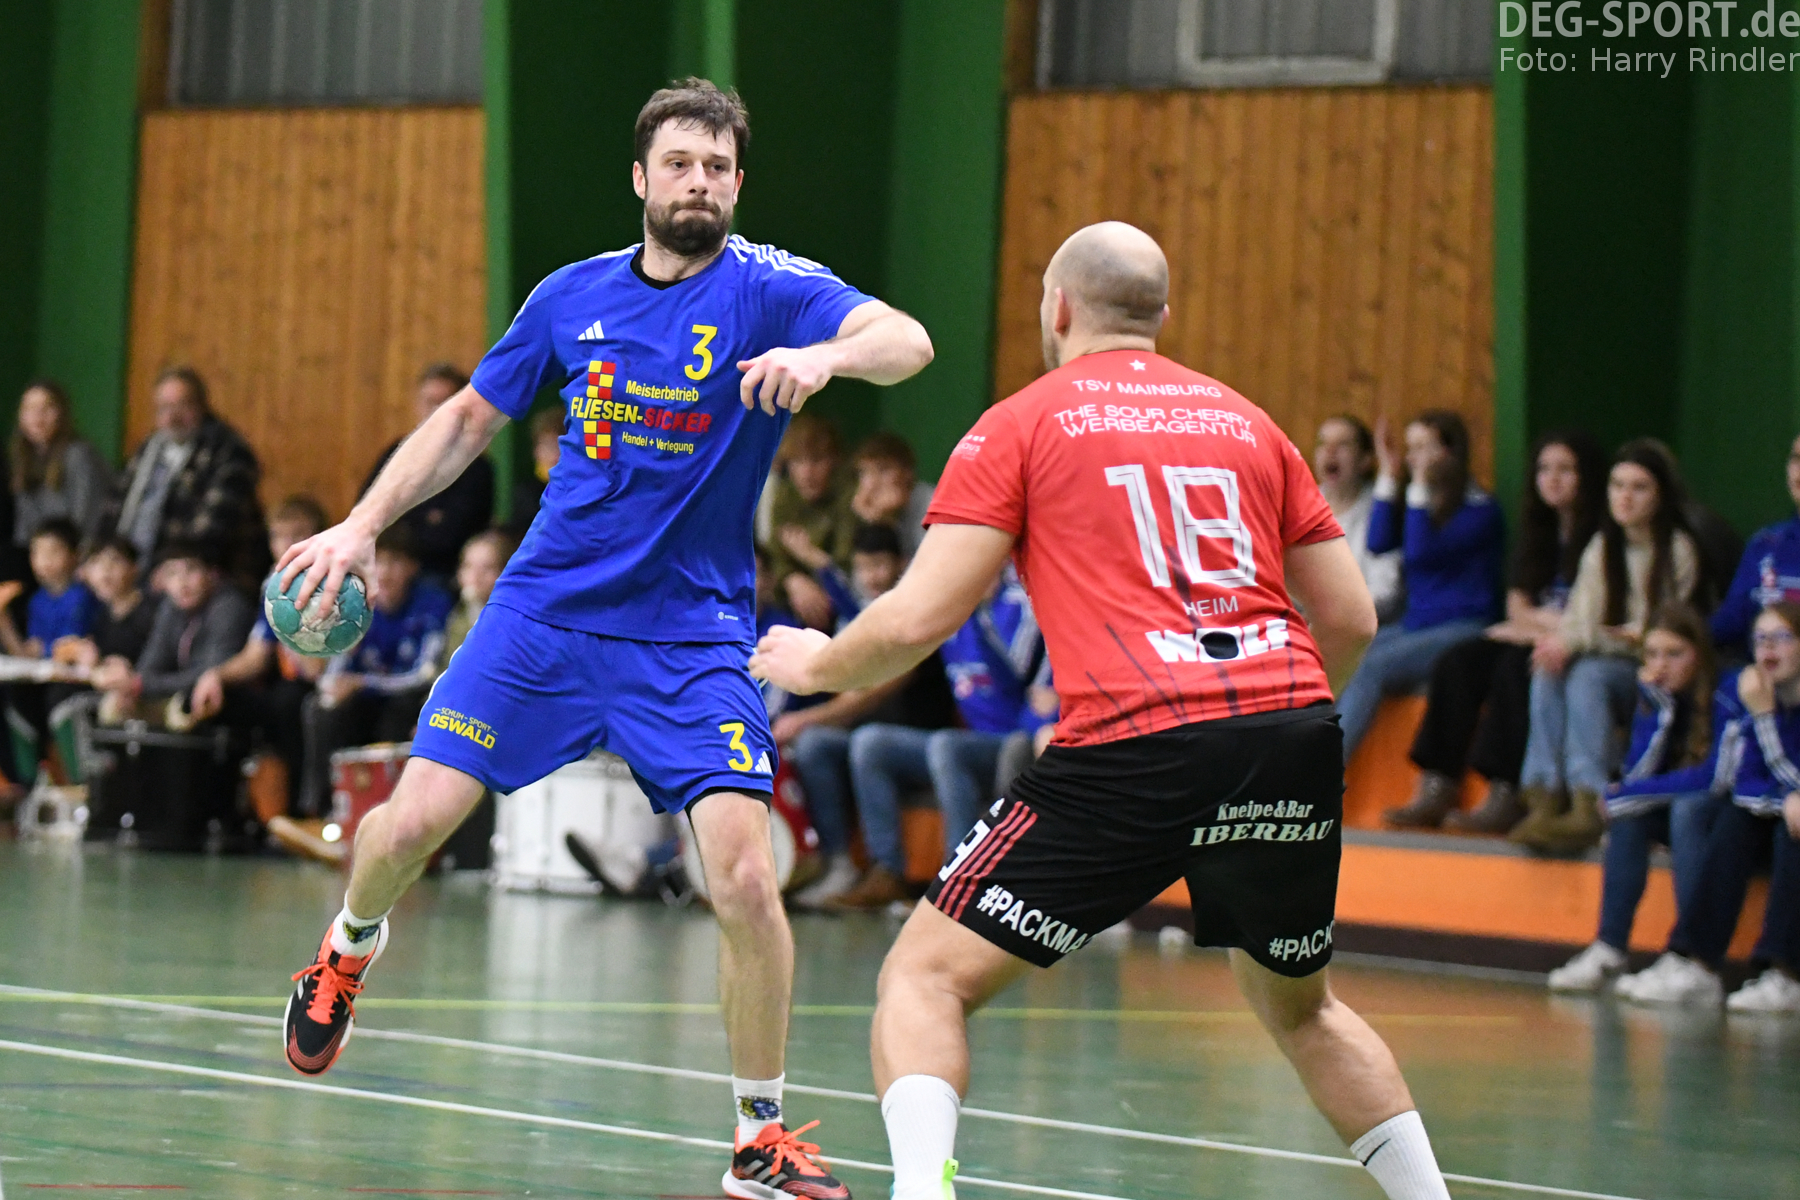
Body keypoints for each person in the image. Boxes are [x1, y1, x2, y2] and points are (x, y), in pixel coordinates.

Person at [273, 78, 932, 1197]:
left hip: (690, 636)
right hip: (542, 614)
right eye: (680, 165)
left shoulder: (773, 288)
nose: (700, 185)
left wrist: (827, 360)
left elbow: (904, 339)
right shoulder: (569, 300)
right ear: (641, 179)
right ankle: (345, 950)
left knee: (743, 876)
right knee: (406, 828)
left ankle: (758, 1142)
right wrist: (363, 523)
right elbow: (467, 423)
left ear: (737, 184)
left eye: (719, 168)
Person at [752, 221, 1455, 1200]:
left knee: (924, 980)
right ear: (1163, 317)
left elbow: (918, 617)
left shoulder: (1020, 424)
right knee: (1304, 1013)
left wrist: (817, 659)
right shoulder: (1252, 424)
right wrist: (1267, 726)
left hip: (1137, 739)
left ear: (1060, 309)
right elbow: (1350, 615)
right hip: (1288, 728)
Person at [1386, 431, 1607, 830]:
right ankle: (1437, 784)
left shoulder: (1602, 537)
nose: (1552, 479)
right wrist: (1533, 625)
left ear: (1587, 477)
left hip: (1578, 645)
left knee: (1512, 667)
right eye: (1544, 469)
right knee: (1459, 661)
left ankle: (1506, 791)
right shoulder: (1539, 529)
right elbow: (1516, 603)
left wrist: (1537, 627)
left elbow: (1589, 616)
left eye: (1565, 470)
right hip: (1533, 633)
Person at [1513, 441, 1701, 853]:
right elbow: (1582, 619)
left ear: (1660, 496)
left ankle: (1590, 801)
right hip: (1610, 654)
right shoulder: (1602, 547)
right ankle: (1543, 796)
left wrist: (1581, 639)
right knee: (1547, 668)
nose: (1625, 497)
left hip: (1647, 668)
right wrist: (1564, 642)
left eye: (1639, 488)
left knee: (1586, 675)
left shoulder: (1678, 550)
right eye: (1617, 486)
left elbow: (1656, 634)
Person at [1613, 603, 1800, 1012]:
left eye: (1782, 638)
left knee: (1792, 829)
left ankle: (1786, 974)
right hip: (1781, 811)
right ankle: (1696, 963)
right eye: (1761, 639)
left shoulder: (1759, 703)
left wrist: (1767, 722)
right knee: (1737, 818)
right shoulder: (1757, 695)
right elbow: (1747, 783)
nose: (1769, 649)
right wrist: (1782, 796)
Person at [833, 567, 1050, 910]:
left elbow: (1032, 676)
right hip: (972, 744)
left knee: (947, 745)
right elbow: (871, 625)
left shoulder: (1007, 610)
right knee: (872, 743)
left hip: (1010, 740)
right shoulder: (948, 623)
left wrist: (983, 610)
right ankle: (888, 872)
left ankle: (958, 881)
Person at [777, 526, 955, 909]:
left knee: (867, 741)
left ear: (902, 566)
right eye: (863, 568)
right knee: (816, 745)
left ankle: (888, 870)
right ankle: (836, 862)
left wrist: (803, 719)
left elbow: (865, 696)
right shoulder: (863, 618)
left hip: (924, 743)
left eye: (879, 565)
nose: (871, 577)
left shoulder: (917, 620)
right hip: (871, 739)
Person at [1547, 604, 1720, 990]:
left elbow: (1712, 778)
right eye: (1653, 654)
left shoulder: (1724, 694)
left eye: (1675, 654)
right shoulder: (1655, 698)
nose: (1662, 665)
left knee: (1685, 811)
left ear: (1699, 656)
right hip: (1675, 808)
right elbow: (1638, 770)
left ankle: (1687, 957)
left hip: (1723, 814)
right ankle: (1610, 948)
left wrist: (1628, 793)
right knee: (1631, 817)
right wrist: (1656, 710)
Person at [1335, 410, 1503, 760]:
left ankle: (1324, 769)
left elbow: (1420, 554)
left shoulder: (1480, 510)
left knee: (1372, 665)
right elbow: (1378, 542)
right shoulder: (1417, 502)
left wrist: (1417, 488)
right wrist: (1388, 474)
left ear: (1450, 452)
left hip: (1464, 625)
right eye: (1410, 448)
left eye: (1423, 448)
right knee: (1341, 652)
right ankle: (1296, 751)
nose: (1413, 458)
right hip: (1418, 623)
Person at [190, 497, 332, 815]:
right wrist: (216, 676)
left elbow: (316, 668)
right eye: (279, 535)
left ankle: (302, 811)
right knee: (220, 702)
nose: (287, 544)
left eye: (298, 534)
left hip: (323, 687)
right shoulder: (274, 582)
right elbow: (257, 654)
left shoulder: (334, 583)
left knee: (289, 703)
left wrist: (290, 616)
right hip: (285, 684)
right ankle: (221, 816)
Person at [303, 527, 453, 812]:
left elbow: (425, 674)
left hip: (409, 696)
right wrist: (330, 684)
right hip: (366, 698)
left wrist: (362, 682)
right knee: (321, 710)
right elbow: (336, 670)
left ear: (412, 567)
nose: (384, 573)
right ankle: (323, 811)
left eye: (395, 562)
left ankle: (393, 810)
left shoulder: (432, 604)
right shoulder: (354, 603)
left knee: (400, 712)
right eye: (377, 562)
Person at [100, 366, 266, 587]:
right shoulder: (150, 449)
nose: (173, 417)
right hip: (136, 569)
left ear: (202, 406)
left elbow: (213, 529)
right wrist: (102, 557)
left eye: (182, 405)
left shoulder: (229, 451)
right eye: (164, 408)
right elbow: (114, 506)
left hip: (205, 576)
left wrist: (170, 568)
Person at [361, 363, 495, 580]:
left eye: (443, 403)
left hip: (441, 576)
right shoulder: (396, 453)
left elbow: (451, 537)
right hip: (387, 567)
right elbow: (366, 510)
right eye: (429, 402)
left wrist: (402, 521)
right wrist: (427, 521)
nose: (435, 411)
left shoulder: (477, 469)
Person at [91, 541, 255, 715]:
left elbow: (211, 670)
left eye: (191, 570)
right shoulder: (171, 606)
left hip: (225, 701)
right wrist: (135, 683)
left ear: (212, 573)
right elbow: (152, 660)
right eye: (172, 574)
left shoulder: (229, 606)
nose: (181, 583)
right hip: (179, 692)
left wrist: (141, 685)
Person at [763, 414, 858, 629]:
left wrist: (809, 556)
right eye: (797, 461)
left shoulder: (849, 495)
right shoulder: (785, 494)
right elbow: (773, 554)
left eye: (816, 460)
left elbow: (847, 564)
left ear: (834, 461)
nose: (807, 472)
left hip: (843, 606)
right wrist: (792, 579)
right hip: (792, 603)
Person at [1712, 432, 1800, 654]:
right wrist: (1678, 634)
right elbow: (1731, 621)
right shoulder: (1766, 544)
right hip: (1763, 676)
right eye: (1797, 458)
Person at [1312, 415, 1402, 624]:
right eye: (1323, 443)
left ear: (1364, 460)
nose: (1330, 451)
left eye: (1343, 444)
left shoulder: (1380, 511)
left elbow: (1386, 593)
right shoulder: (1298, 507)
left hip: (1366, 627)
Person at [10, 379, 112, 550]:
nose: (37, 416)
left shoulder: (79, 456)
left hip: (78, 558)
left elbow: (87, 527)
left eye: (46, 408)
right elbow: (24, 533)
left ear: (61, 413)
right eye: (29, 409)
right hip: (41, 562)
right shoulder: (24, 459)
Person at [0, 519, 99, 660]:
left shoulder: (82, 596)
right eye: (37, 552)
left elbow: (71, 646)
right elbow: (31, 647)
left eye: (53, 551)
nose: (44, 560)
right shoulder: (37, 600)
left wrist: (44, 649)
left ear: (74, 554)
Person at [850, 432, 935, 559]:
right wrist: (877, 526)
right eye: (865, 473)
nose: (873, 483)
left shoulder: (932, 506)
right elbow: (861, 577)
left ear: (907, 472)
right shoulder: (863, 513)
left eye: (883, 470)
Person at [443, 528, 515, 661]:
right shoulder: (457, 617)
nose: (475, 577)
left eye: (488, 568)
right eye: (468, 566)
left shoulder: (513, 622)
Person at [504, 409, 564, 538]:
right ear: (536, 451)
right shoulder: (526, 494)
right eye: (548, 445)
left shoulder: (587, 488)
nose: (554, 453)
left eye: (560, 446)